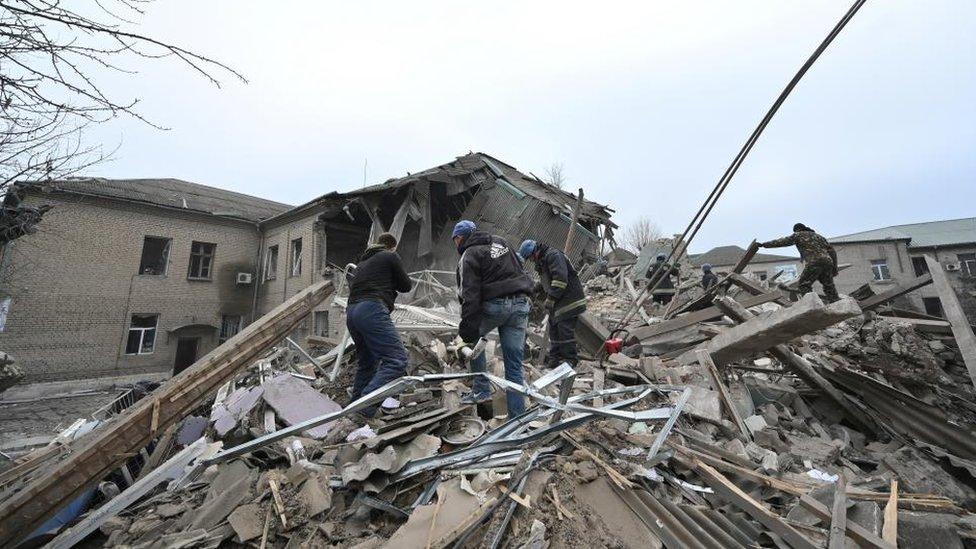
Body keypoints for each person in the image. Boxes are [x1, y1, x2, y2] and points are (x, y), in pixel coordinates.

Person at [452, 220, 535, 418]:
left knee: (472, 340)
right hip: (520, 305)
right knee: (514, 368)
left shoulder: (469, 255)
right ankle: (518, 419)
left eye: (454, 240)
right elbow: (520, 266)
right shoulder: (501, 242)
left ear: (459, 238)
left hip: (494, 306)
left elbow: (469, 296)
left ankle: (481, 390)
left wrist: (465, 332)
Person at [346, 233, 412, 411]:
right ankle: (364, 408)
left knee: (367, 362)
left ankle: (351, 409)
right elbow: (406, 286)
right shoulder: (389, 255)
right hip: (371, 308)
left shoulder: (361, 263)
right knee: (396, 360)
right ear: (392, 246)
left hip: (351, 312)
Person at [518, 239, 586, 368]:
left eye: (530, 258)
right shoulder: (543, 260)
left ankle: (570, 360)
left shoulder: (553, 256)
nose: (531, 261)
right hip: (560, 300)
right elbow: (546, 281)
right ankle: (555, 359)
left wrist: (551, 298)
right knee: (554, 329)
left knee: (564, 330)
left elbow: (560, 279)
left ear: (535, 252)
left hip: (569, 299)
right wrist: (533, 289)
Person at [760, 223, 840, 302]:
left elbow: (782, 242)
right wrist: (834, 267)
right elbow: (832, 251)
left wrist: (764, 245)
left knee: (804, 285)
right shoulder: (819, 237)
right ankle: (836, 303)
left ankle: (812, 304)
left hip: (814, 261)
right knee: (828, 285)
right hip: (828, 262)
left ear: (797, 230)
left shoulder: (798, 234)